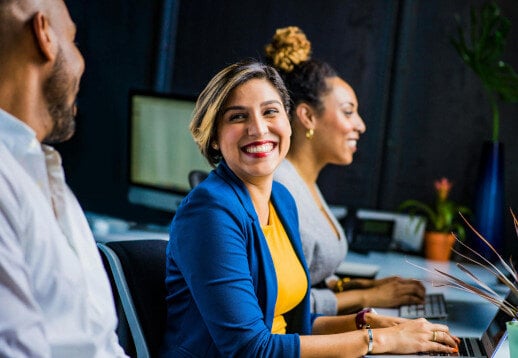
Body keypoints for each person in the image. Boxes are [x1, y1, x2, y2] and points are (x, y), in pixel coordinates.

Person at [160, 59, 458, 357]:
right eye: (238, 117)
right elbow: (250, 349)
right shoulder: (209, 212)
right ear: (213, 137)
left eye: (270, 112)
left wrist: (365, 323)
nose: (258, 128)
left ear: (288, 122)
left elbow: (292, 326)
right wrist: (379, 341)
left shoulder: (281, 198)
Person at [266, 26, 426, 315]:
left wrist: (359, 287)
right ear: (308, 116)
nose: (360, 125)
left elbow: (310, 279)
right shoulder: (280, 189)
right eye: (348, 111)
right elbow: (282, 305)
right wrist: (368, 298)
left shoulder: (305, 182)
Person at [0, 0, 127, 356]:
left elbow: (101, 344)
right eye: (73, 39)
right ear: (44, 35)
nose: (82, 63)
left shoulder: (42, 173)